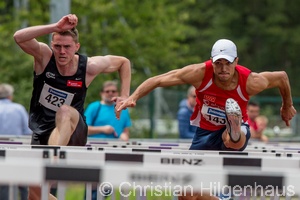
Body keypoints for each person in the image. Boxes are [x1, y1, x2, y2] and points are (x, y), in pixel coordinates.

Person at [115, 39, 296, 199]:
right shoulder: (200, 73)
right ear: (212, 62)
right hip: (205, 131)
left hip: (234, 131)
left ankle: (234, 128)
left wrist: (287, 105)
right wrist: (133, 97)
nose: (223, 69)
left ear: (236, 62)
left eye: (228, 63)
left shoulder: (250, 81)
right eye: (218, 64)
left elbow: (282, 77)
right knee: (186, 193)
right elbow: (160, 79)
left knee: (231, 139)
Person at [13, 14, 131, 200]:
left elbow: (124, 62)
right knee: (36, 196)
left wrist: (125, 95)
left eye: (67, 47)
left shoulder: (89, 66)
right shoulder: (44, 57)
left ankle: (53, 162)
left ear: (76, 47)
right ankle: (50, 163)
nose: (62, 52)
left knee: (65, 111)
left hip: (74, 129)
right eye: (58, 46)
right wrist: (55, 26)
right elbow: (19, 37)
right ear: (52, 45)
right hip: (43, 129)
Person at [0, 83, 31, 200]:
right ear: (10, 96)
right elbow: (28, 132)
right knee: (23, 182)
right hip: (17, 150)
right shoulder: (18, 109)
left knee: (3, 183)